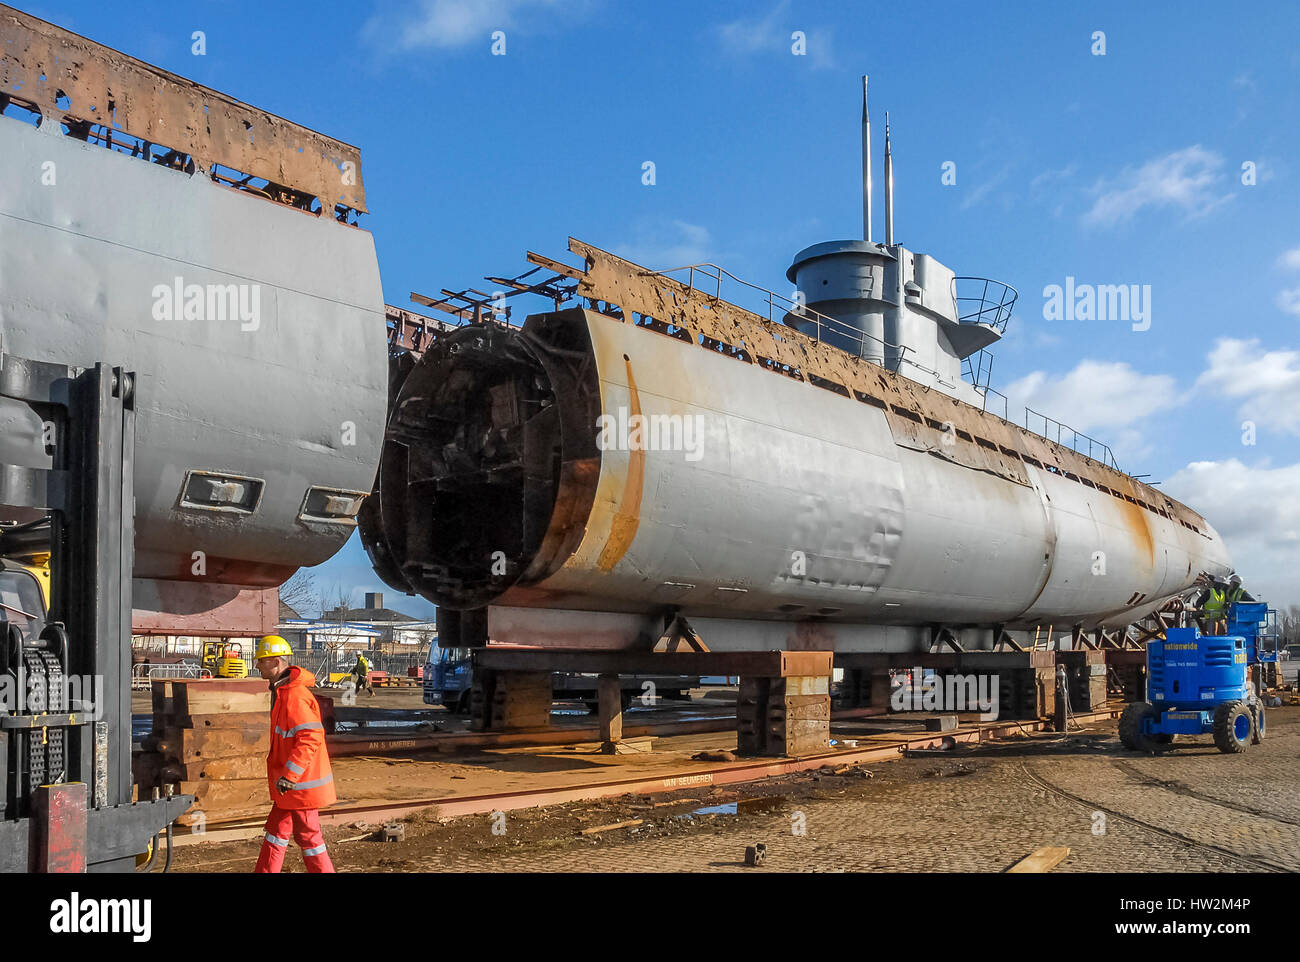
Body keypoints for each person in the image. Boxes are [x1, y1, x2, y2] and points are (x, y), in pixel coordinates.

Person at [252, 635, 336, 873]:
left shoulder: (294, 696)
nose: (257, 664)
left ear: (276, 662)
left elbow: (310, 738)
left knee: (310, 839)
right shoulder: (284, 693)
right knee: (276, 833)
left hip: (299, 785)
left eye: (261, 660)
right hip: (291, 785)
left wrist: (290, 776)